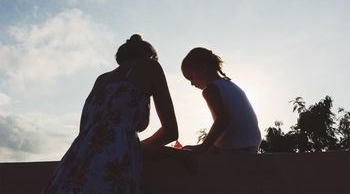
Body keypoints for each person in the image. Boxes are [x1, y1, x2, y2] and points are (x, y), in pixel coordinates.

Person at [42, 34, 178, 194]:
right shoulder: (150, 66)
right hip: (116, 158)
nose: (132, 38)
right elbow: (171, 131)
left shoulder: (101, 79)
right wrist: (135, 147)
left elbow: (84, 128)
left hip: (75, 159)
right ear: (149, 55)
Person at [181, 47, 261, 154]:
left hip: (234, 147)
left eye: (191, 77)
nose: (191, 83)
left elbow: (222, 120)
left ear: (203, 68)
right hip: (252, 145)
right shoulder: (231, 85)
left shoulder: (210, 90)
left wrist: (203, 147)